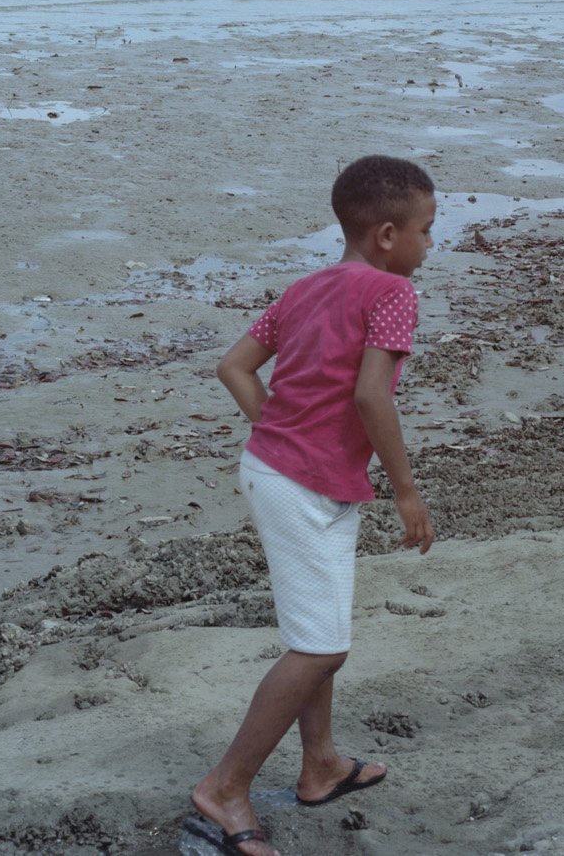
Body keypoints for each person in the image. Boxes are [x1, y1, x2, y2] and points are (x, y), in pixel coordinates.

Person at [183, 156, 439, 856]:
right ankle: (225, 786)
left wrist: (278, 433)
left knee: (317, 631)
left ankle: (320, 762)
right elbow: (371, 395)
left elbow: (233, 365)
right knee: (321, 645)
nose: (429, 244)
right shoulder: (392, 292)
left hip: (297, 476)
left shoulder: (304, 288)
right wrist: (407, 490)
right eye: (427, 229)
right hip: (299, 484)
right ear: (388, 234)